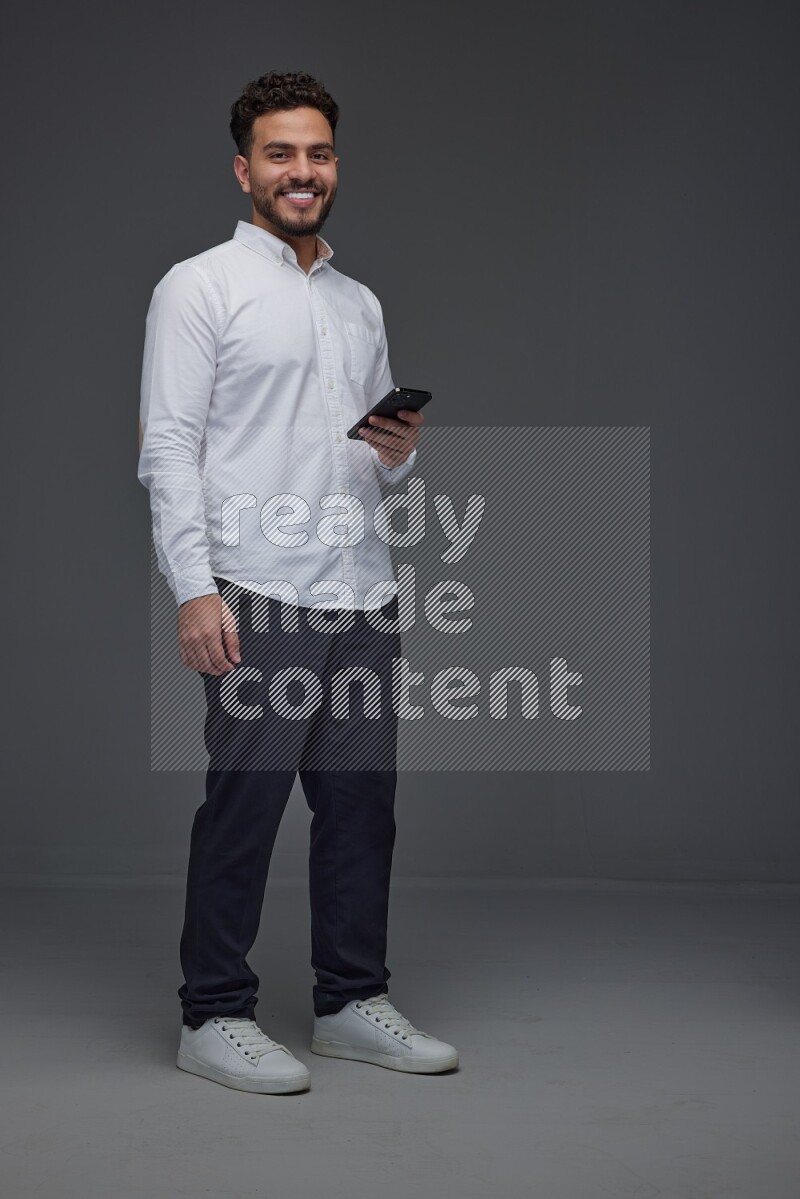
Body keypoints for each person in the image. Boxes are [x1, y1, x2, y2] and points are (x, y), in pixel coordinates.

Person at [137, 70, 459, 1094]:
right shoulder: (200, 286)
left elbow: (368, 457)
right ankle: (213, 1011)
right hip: (256, 589)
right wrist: (194, 588)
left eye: (316, 153)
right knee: (246, 802)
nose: (301, 171)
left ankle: (348, 999)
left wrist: (397, 448)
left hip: (360, 585)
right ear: (244, 170)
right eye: (279, 154)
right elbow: (169, 445)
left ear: (334, 165)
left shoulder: (358, 302)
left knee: (362, 804)